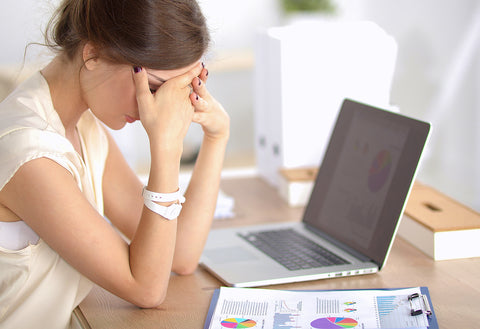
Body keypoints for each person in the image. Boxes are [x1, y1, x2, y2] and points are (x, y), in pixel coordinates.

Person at [0, 0, 229, 328]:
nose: (156, 107)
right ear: (93, 55)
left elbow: (180, 255)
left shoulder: (82, 126)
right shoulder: (29, 151)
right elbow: (146, 288)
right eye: (152, 88)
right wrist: (165, 147)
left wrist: (216, 136)